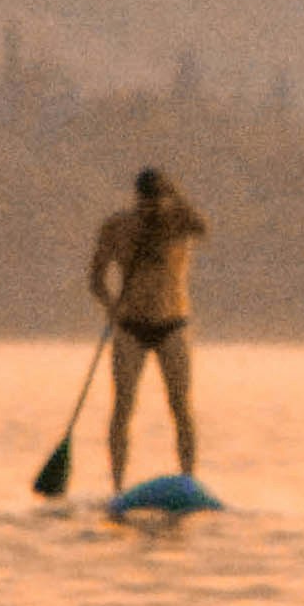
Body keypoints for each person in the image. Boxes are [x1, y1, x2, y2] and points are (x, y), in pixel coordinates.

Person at [87, 167, 207, 487]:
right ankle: (117, 484)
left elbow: (202, 227)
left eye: (156, 201)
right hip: (130, 326)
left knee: (180, 405)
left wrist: (173, 201)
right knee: (123, 405)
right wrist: (110, 306)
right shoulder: (117, 227)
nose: (150, 208)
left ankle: (188, 479)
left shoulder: (180, 222)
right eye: (145, 202)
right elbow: (96, 278)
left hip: (173, 324)